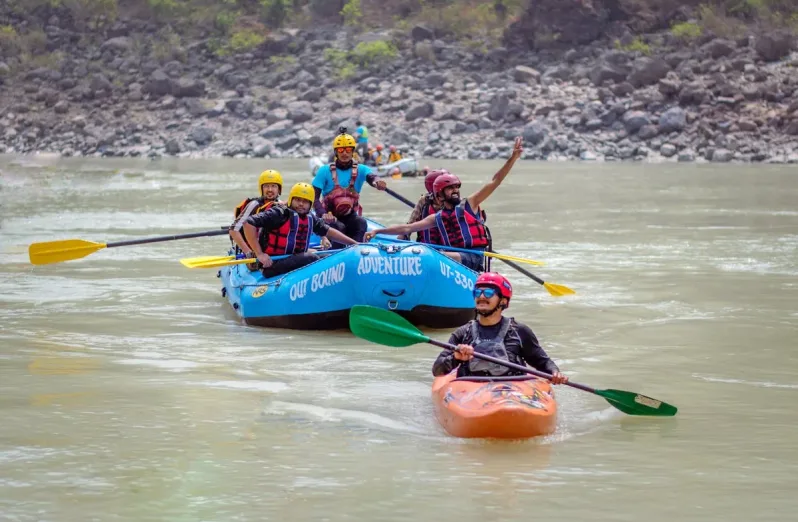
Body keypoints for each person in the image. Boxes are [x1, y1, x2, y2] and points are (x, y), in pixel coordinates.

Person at [365, 137, 524, 271]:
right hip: (451, 255)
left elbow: (495, 181)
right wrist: (378, 231)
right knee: (430, 253)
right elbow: (408, 228)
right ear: (439, 193)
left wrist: (513, 158)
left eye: (456, 187)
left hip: (473, 258)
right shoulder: (437, 217)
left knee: (433, 255)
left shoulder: (470, 204)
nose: (455, 190)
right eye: (450, 188)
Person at [432, 272, 568, 383]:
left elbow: (542, 362)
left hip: (512, 393)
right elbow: (437, 370)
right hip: (471, 392)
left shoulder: (519, 331)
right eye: (477, 292)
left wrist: (555, 373)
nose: (481, 297)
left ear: (503, 301)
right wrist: (456, 357)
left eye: (489, 293)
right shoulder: (463, 332)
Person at [242, 183, 357, 279]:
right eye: (297, 200)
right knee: (310, 257)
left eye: (305, 201)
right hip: (271, 264)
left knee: (331, 257)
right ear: (291, 200)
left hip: (294, 259)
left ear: (310, 204)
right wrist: (259, 254)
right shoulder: (279, 213)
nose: (301, 204)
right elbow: (248, 223)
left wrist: (354, 244)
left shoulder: (310, 217)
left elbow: (328, 231)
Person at [311, 130, 388, 246]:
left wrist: (377, 183)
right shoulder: (324, 171)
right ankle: (337, 253)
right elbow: (314, 198)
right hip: (329, 217)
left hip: (350, 215)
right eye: (341, 150)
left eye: (348, 150)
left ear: (353, 151)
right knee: (338, 226)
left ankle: (357, 251)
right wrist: (322, 214)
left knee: (361, 222)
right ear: (336, 152)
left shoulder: (361, 169)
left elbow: (372, 177)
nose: (344, 153)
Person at [230, 170, 283, 260]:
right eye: (266, 186)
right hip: (253, 250)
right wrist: (247, 251)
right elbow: (233, 230)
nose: (270, 190)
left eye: (273, 186)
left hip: (270, 249)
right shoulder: (254, 205)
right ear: (261, 189)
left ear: (279, 189)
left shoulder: (282, 206)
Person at [399, 169, 446, 242]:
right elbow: (411, 222)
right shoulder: (424, 200)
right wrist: (403, 236)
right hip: (425, 246)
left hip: (447, 248)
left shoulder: (454, 202)